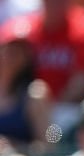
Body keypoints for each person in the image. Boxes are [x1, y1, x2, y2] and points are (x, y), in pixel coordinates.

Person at [0, 18, 51, 149]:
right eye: (10, 48)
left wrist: (14, 147)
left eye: (21, 49)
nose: (14, 55)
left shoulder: (36, 92)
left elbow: (51, 142)